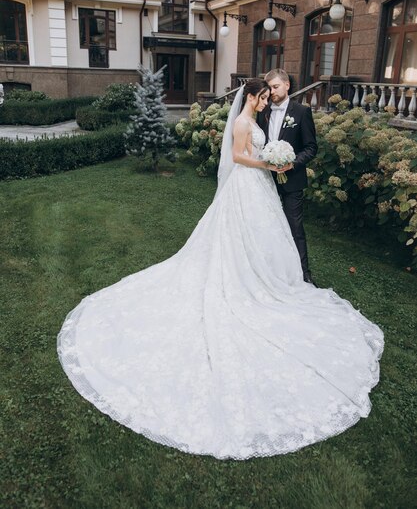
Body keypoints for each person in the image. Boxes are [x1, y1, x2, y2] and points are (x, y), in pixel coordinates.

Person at [58, 78, 383, 461]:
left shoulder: (254, 119)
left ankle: (272, 278)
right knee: (238, 236)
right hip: (248, 183)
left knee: (265, 236)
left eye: (267, 97)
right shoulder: (243, 123)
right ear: (251, 97)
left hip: (259, 185)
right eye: (262, 97)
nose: (266, 102)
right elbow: (240, 156)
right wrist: (268, 161)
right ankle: (243, 279)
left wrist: (277, 159)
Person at [257, 69, 317, 284]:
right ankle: (270, 271)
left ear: (287, 85)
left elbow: (311, 148)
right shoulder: (262, 111)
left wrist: (291, 163)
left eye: (275, 86)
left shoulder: (301, 112)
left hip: (292, 181)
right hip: (265, 180)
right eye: (269, 88)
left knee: (294, 226)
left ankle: (303, 273)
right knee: (267, 226)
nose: (272, 92)